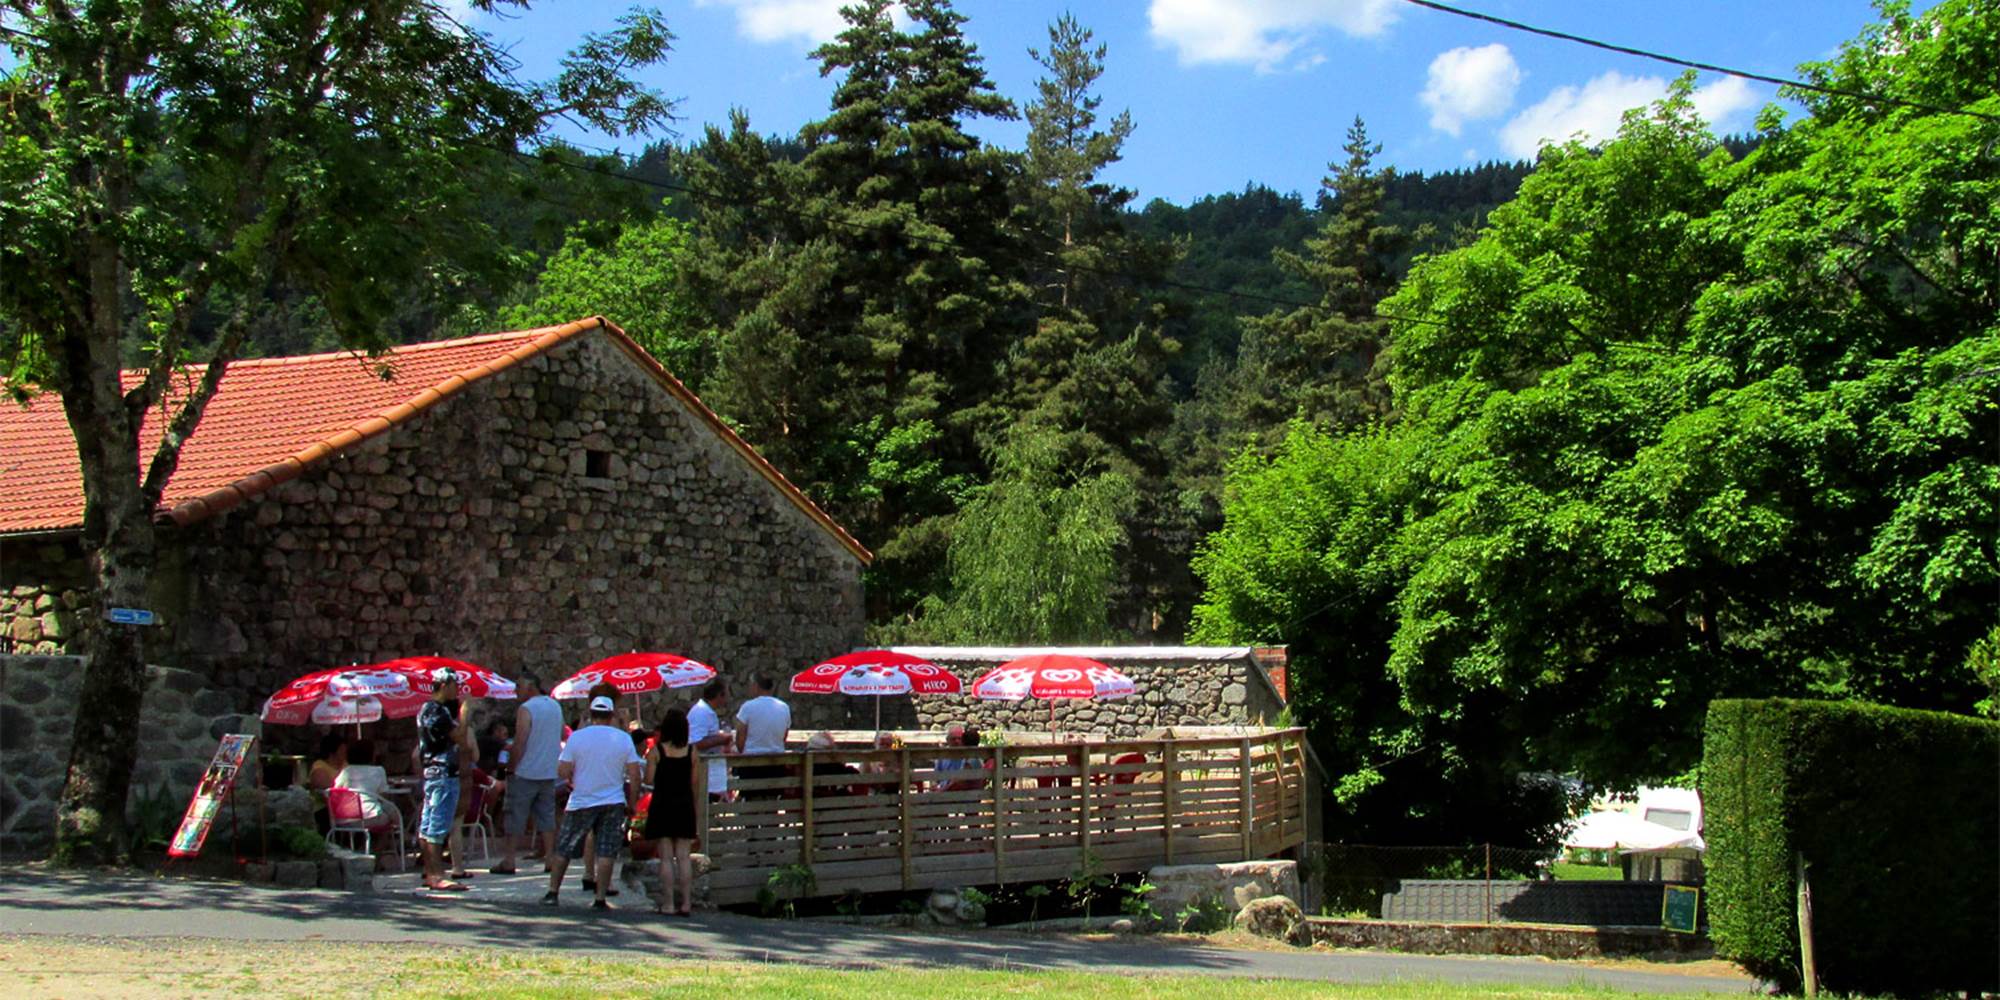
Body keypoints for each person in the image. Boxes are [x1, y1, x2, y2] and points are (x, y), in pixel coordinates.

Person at [545, 695, 642, 910]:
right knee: (606, 851)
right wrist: (632, 802)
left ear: (590, 714)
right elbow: (635, 775)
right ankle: (600, 898)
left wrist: (572, 778)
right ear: (611, 715)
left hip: (582, 799)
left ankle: (553, 892)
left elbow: (562, 769)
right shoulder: (623, 739)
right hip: (613, 800)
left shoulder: (578, 737)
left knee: (564, 847)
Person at [416, 667, 477, 892]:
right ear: (444, 685)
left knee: (428, 824)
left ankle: (429, 872)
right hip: (442, 774)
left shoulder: (428, 710)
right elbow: (460, 738)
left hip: (434, 773)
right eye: (455, 686)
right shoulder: (437, 711)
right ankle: (436, 875)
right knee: (438, 825)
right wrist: (464, 713)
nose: (458, 690)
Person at [495, 674, 561, 875]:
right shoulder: (555, 706)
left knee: (515, 815)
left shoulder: (526, 709)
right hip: (548, 771)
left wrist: (511, 767)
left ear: (531, 687)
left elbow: (521, 741)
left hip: (526, 771)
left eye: (519, 686)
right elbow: (559, 736)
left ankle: (509, 860)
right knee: (546, 817)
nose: (516, 691)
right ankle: (550, 858)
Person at [642, 707, 701, 916]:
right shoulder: (692, 751)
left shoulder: (657, 751)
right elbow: (695, 784)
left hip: (663, 803)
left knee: (666, 857)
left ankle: (668, 904)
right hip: (684, 803)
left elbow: (648, 780)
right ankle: (686, 903)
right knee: (684, 857)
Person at [733, 675, 791, 799]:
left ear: (756, 686)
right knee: (772, 802)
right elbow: (784, 736)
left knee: (751, 804)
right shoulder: (784, 707)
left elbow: (740, 738)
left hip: (752, 763)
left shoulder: (748, 707)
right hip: (776, 762)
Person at [333, 739, 402, 832]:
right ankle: (386, 843)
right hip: (370, 817)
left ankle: (365, 844)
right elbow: (383, 796)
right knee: (389, 812)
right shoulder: (378, 771)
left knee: (386, 810)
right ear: (371, 755)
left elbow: (335, 791)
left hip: (345, 819)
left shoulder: (346, 771)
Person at [688, 679, 733, 803]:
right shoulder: (701, 713)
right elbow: (696, 743)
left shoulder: (706, 711)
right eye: (727, 694)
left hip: (710, 772)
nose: (728, 698)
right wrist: (722, 740)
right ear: (719, 695)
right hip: (704, 772)